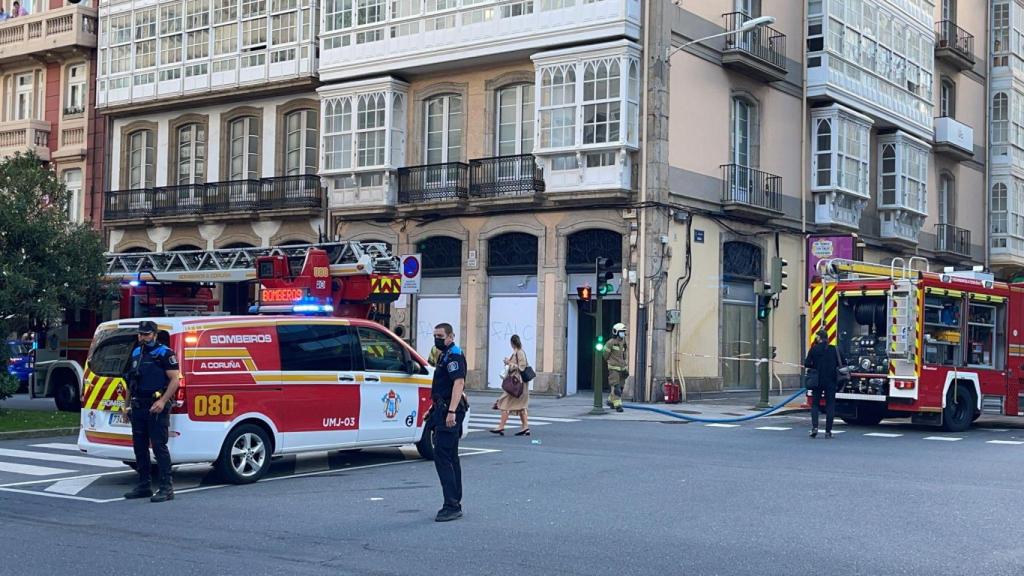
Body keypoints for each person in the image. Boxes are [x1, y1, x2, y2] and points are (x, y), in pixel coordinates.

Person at [123, 321, 180, 502]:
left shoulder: (164, 353)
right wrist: (126, 406)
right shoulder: (136, 353)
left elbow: (174, 380)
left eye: (146, 334)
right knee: (139, 447)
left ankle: (166, 488)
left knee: (158, 447)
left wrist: (163, 401)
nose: (143, 337)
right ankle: (144, 485)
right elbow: (131, 382)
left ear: (155, 334)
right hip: (138, 405)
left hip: (156, 406)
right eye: (141, 334)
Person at [429, 322, 468, 522]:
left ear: (451, 336)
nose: (437, 339)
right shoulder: (444, 354)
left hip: (449, 411)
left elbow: (458, 383)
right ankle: (454, 501)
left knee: (443, 456)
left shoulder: (453, 355)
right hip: (442, 408)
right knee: (450, 456)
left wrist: (451, 411)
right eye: (435, 335)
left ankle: (451, 505)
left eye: (440, 336)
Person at [804, 329, 844, 439]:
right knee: (830, 405)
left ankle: (815, 428)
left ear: (819, 338)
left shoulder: (814, 349)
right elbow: (843, 363)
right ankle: (828, 431)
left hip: (817, 381)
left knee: (815, 404)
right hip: (831, 380)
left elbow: (807, 363)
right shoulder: (835, 349)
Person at [489, 334, 530, 436]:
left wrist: (509, 363)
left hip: (517, 384)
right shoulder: (517, 352)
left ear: (512, 343)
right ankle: (525, 427)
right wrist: (509, 362)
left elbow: (521, 367)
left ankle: (501, 426)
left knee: (504, 402)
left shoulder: (520, 353)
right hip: (519, 384)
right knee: (521, 406)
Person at [603, 322, 629, 412]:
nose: (623, 333)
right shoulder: (610, 343)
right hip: (613, 369)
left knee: (621, 387)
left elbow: (624, 354)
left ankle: (610, 400)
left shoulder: (623, 342)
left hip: (622, 368)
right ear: (616, 332)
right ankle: (618, 405)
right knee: (617, 388)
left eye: (624, 331)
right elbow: (605, 355)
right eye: (621, 331)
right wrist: (611, 362)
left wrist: (625, 366)